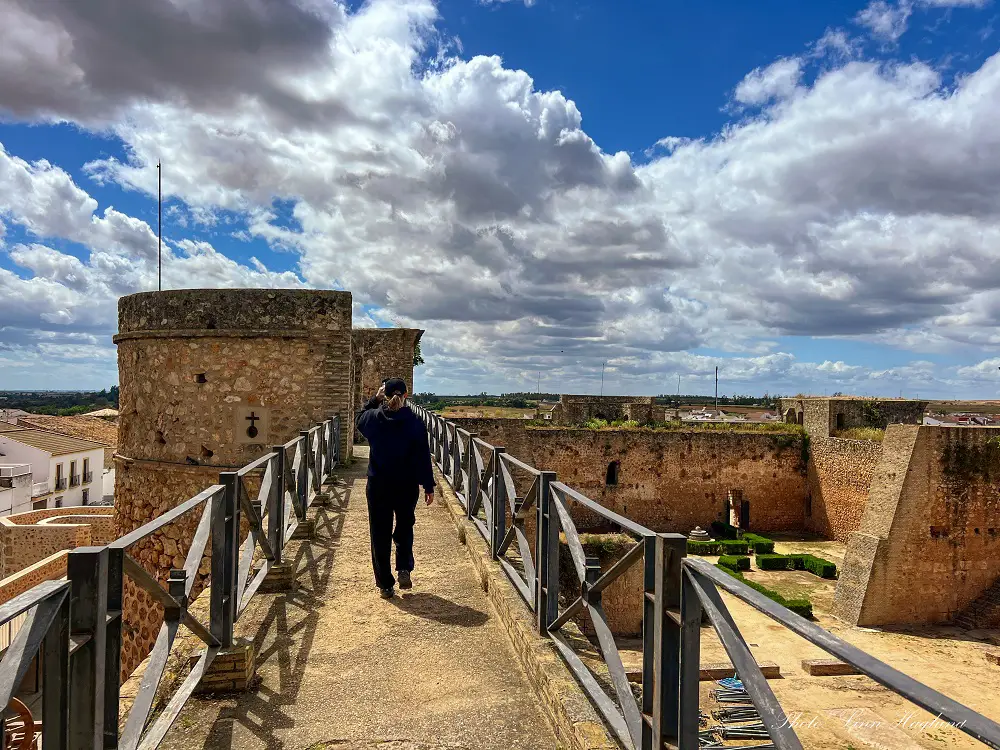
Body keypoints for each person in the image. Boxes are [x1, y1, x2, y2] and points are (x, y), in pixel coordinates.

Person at [356, 377, 435, 599]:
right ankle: (403, 568)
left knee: (379, 533)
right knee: (404, 527)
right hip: (406, 485)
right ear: (406, 396)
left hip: (379, 485)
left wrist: (374, 399)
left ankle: (385, 584)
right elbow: (423, 457)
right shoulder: (415, 422)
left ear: (385, 394)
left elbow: (358, 418)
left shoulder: (373, 418)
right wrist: (428, 485)